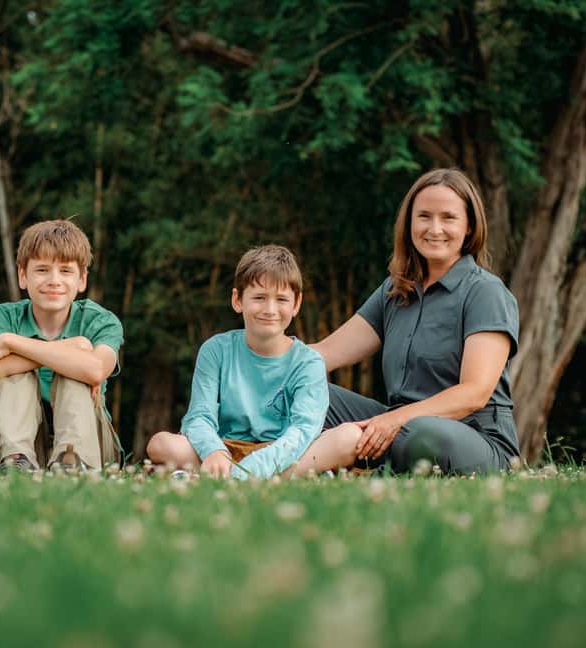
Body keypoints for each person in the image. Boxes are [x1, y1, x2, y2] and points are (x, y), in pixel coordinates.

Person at [313, 168, 520, 474]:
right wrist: (257, 366)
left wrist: (394, 420)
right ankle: (271, 465)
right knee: (308, 389)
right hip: (395, 427)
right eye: (424, 216)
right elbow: (325, 352)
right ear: (409, 223)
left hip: (471, 438)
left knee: (422, 434)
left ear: (469, 227)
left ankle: (366, 472)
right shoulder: (395, 289)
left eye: (448, 217)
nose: (434, 228)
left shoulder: (485, 292)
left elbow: (474, 393)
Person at [147, 245, 361, 480]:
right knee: (161, 444)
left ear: (296, 304)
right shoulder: (215, 350)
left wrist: (255, 467)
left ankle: (231, 476)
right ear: (237, 299)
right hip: (226, 450)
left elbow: (303, 430)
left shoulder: (308, 362)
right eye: (259, 298)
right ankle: (277, 475)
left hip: (286, 451)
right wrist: (214, 451)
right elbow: (199, 416)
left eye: (281, 299)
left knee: (349, 437)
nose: (270, 310)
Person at [0, 219, 124, 471]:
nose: (54, 280)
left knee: (75, 372)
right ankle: (16, 461)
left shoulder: (101, 320)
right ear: (23, 275)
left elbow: (95, 369)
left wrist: (11, 343)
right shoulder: (4, 317)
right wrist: (70, 348)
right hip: (27, 439)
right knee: (18, 375)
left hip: (91, 442)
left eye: (65, 271)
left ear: (82, 280)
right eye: (42, 270)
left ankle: (72, 462)